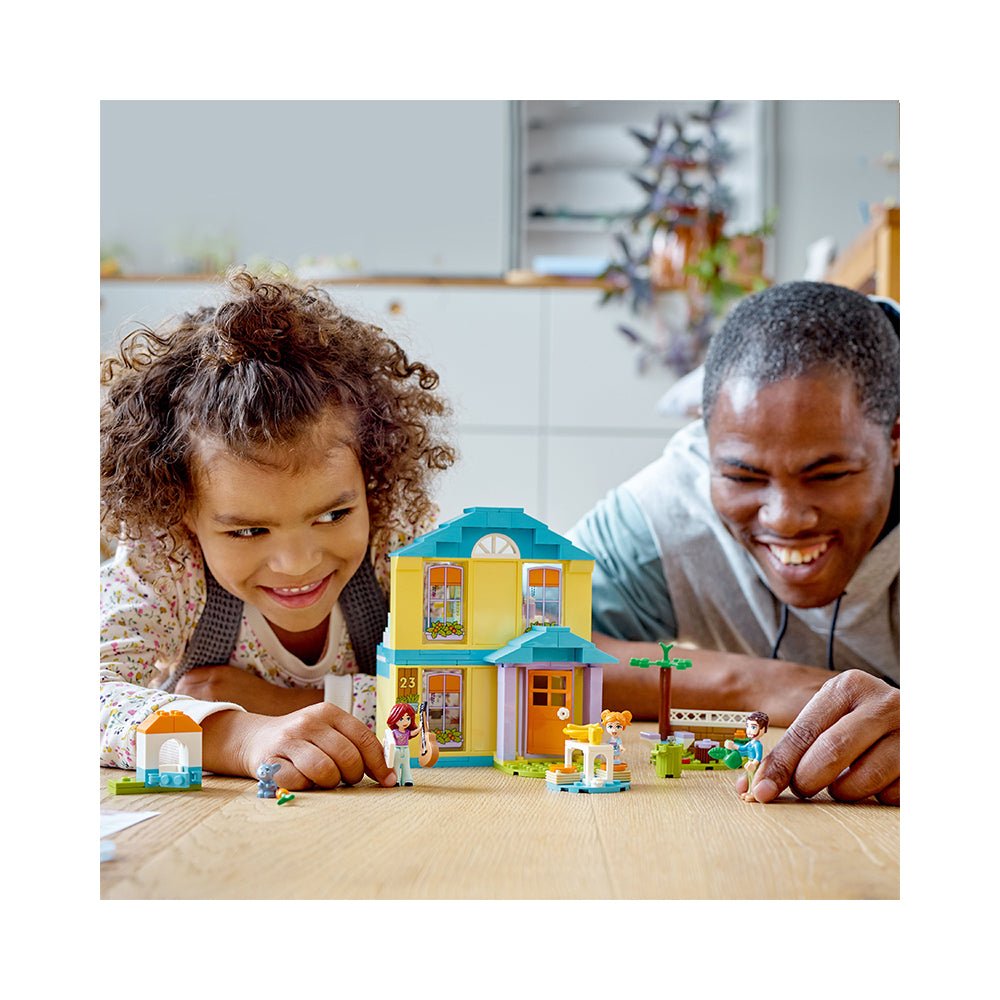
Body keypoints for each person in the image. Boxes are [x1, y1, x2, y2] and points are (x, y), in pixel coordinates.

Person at [101, 268, 454, 791]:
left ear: (372, 477)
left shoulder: (398, 546)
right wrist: (239, 735)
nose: (298, 563)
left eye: (333, 515)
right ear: (182, 513)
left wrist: (282, 704)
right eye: (248, 532)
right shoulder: (165, 563)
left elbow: (461, 697)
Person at [570, 281, 899, 805]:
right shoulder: (669, 508)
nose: (784, 517)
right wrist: (769, 688)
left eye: (828, 474)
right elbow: (521, 646)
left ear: (898, 438)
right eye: (743, 476)